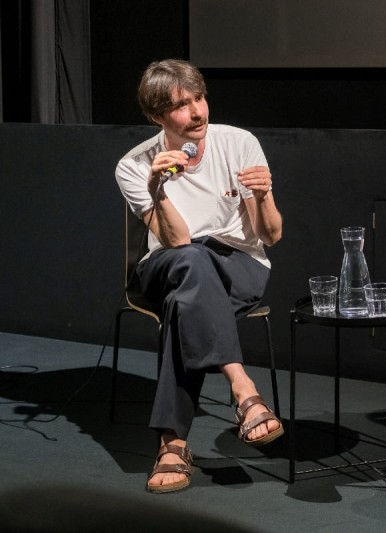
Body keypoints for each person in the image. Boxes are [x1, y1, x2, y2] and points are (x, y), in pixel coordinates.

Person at [115, 59, 284, 494]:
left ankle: (172, 443)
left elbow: (272, 235)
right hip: (169, 264)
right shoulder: (134, 167)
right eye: (181, 106)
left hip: (238, 264)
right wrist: (157, 188)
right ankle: (243, 387)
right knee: (191, 260)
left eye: (199, 99)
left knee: (183, 306)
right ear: (157, 117)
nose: (197, 113)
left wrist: (263, 196)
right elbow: (178, 239)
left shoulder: (239, 142)